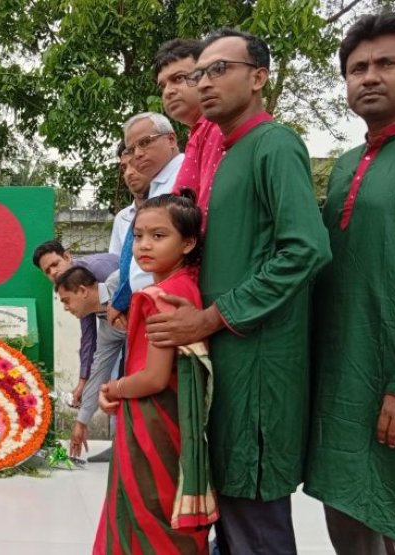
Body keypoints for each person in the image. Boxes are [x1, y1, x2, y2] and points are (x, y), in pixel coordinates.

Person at [145, 30, 332, 553]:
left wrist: (210, 317)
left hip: (259, 360)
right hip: (228, 356)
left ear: (258, 77)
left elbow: (305, 250)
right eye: (197, 73)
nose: (204, 83)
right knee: (229, 511)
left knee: (253, 512)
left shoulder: (274, 144)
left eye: (219, 70)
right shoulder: (223, 154)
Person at [305, 12, 395, 553]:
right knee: (346, 519)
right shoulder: (347, 165)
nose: (369, 76)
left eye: (387, 63)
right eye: (357, 68)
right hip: (342, 389)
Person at [93, 190, 217, 554]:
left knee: (146, 515)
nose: (144, 245)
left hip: (153, 423)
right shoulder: (188, 288)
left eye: (158, 236)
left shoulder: (161, 297)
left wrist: (113, 388)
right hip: (179, 419)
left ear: (188, 242)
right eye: (138, 236)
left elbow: (153, 378)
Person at [31, 240, 119, 461]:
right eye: (47, 271)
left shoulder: (105, 274)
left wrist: (121, 307)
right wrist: (81, 418)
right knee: (112, 384)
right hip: (115, 330)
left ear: (68, 257)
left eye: (55, 264)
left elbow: (132, 281)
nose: (53, 272)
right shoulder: (102, 318)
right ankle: (122, 447)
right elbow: (91, 341)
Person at [107, 113, 184, 331]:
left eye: (145, 142)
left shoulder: (181, 178)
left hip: (166, 301)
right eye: (132, 148)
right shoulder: (158, 185)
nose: (138, 154)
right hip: (146, 301)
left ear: (171, 140)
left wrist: (122, 300)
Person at [153, 38, 226, 227]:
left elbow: (208, 212)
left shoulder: (219, 129)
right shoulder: (199, 134)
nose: (168, 92)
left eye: (178, 78)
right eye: (162, 85)